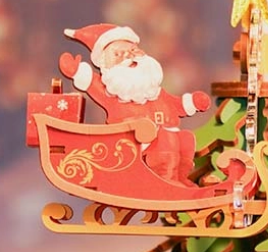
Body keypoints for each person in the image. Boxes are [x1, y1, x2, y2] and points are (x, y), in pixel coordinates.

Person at [59, 22, 211, 186]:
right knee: (166, 138)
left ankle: (180, 179)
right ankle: (165, 181)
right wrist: (76, 71)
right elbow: (90, 81)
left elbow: (176, 104)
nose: (129, 57)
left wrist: (193, 102)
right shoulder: (112, 90)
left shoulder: (153, 91)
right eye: (119, 54)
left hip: (163, 140)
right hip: (131, 143)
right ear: (105, 64)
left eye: (133, 51)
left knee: (186, 138)